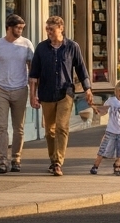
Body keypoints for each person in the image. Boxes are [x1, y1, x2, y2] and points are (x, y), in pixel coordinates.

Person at [27, 16, 93, 177]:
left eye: (52, 29)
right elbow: (34, 74)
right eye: (47, 29)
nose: (49, 32)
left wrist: (88, 89)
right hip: (47, 92)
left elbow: (81, 69)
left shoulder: (72, 47)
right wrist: (32, 95)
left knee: (62, 127)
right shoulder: (41, 48)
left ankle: (58, 162)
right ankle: (52, 160)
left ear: (61, 28)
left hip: (66, 92)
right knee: (50, 130)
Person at [0, 13, 34, 174]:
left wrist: (32, 87)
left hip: (20, 89)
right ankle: (2, 161)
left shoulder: (26, 44)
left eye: (22, 28)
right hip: (2, 90)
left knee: (18, 128)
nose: (20, 30)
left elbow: (32, 66)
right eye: (18, 28)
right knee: (1, 127)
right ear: (9, 28)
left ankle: (16, 158)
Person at [90, 80, 120, 176]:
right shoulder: (111, 101)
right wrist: (97, 109)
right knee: (104, 148)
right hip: (111, 130)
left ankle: (118, 166)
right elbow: (104, 111)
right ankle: (95, 165)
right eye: (119, 92)